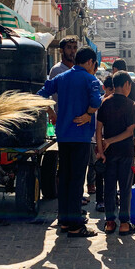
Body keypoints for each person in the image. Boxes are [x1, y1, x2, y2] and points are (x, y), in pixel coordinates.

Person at [38, 46, 102, 237]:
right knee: (76, 181)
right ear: (90, 62)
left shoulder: (61, 77)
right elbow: (96, 102)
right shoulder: (91, 79)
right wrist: (88, 114)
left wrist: (51, 111)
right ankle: (75, 226)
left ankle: (64, 221)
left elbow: (41, 94)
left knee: (64, 178)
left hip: (63, 136)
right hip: (81, 136)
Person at [96, 71, 135, 235]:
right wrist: (110, 141)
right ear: (127, 84)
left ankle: (109, 222)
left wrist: (101, 150)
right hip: (126, 152)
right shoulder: (131, 105)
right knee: (125, 187)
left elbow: (98, 129)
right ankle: (124, 224)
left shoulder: (105, 103)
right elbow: (130, 132)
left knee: (109, 188)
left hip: (109, 154)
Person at [94, 75, 115, 212]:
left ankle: (113, 197)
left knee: (113, 173)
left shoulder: (121, 103)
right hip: (101, 143)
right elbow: (97, 127)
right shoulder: (100, 104)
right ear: (104, 88)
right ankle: (100, 200)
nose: (112, 93)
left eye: (114, 90)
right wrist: (99, 146)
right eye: (110, 90)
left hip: (114, 144)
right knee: (100, 172)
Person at [111, 59, 135, 142]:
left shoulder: (114, 83)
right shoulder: (133, 84)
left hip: (119, 124)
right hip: (129, 123)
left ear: (115, 69)